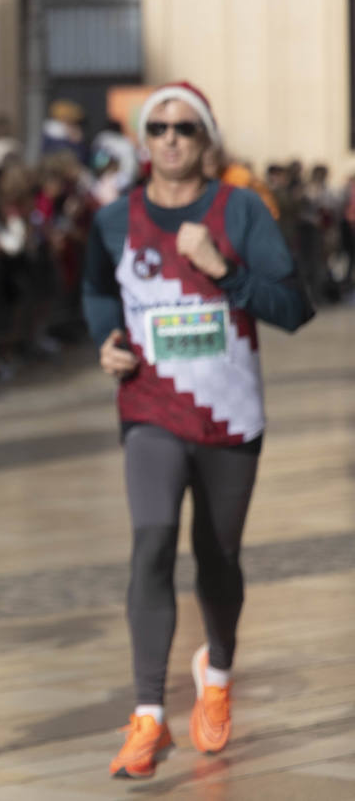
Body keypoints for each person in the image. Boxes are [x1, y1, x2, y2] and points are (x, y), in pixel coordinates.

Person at [81, 81, 313, 780]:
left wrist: (224, 271)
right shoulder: (114, 221)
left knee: (217, 559)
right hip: (150, 411)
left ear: (205, 138)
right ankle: (148, 716)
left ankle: (217, 674)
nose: (172, 139)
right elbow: (97, 290)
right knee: (151, 544)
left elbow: (295, 307)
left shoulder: (239, 212)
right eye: (159, 128)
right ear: (144, 141)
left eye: (185, 127)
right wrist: (108, 340)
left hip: (229, 417)